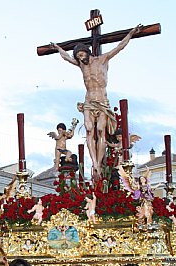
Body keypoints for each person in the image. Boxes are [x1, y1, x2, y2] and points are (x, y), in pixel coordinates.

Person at [50, 25, 141, 179]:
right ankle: (95, 165)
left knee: (100, 131)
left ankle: (98, 162)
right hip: (88, 101)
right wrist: (58, 47)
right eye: (78, 56)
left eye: (81, 54)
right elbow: (66, 57)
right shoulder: (81, 66)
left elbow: (119, 47)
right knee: (89, 130)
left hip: (102, 102)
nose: (80, 58)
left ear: (87, 52)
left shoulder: (102, 59)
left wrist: (131, 33)